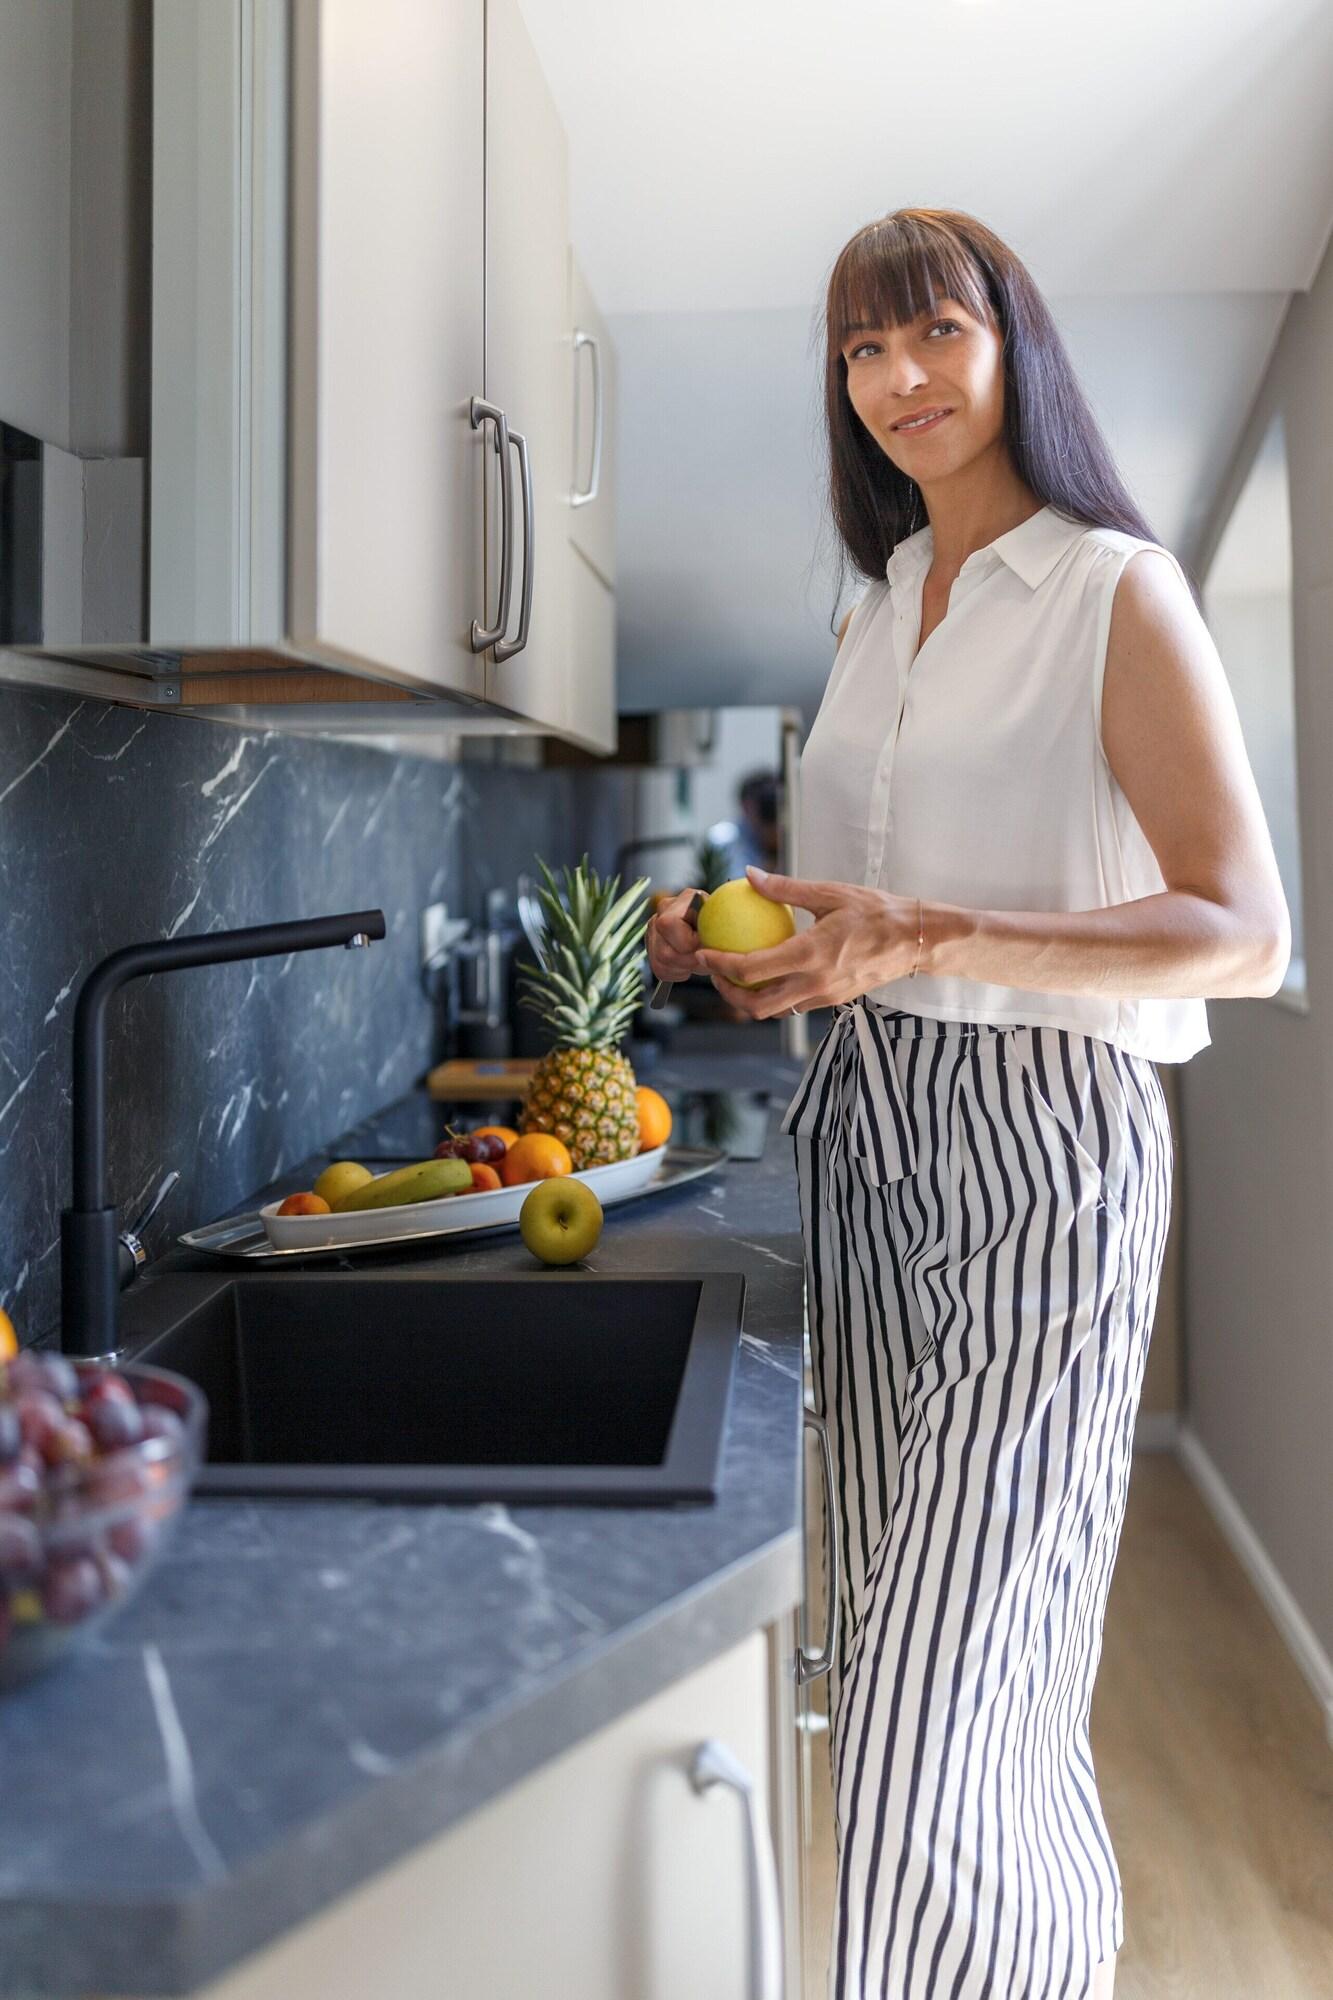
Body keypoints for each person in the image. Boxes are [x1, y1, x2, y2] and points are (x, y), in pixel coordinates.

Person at [647, 207, 1290, 2000]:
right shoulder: (871, 611)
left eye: (931, 332)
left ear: (1012, 343)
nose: (898, 380)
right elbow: (851, 915)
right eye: (860, 352)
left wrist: (923, 929)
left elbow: (1242, 932)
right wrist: (737, 942)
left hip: (1042, 1154)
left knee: (939, 1696)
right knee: (937, 1678)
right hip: (866, 1136)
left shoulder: (1110, 588)